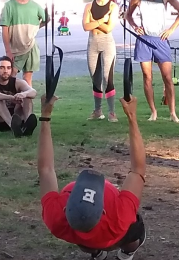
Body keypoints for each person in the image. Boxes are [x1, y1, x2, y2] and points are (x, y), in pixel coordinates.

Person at [39, 94, 146, 260]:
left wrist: (45, 117)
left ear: (66, 210)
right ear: (103, 210)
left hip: (87, 240)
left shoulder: (56, 220)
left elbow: (46, 169)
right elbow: (137, 170)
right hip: (116, 233)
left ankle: (95, 251)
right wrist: (132, 117)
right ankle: (127, 252)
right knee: (135, 233)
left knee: (85, 242)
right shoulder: (119, 219)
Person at [124, 0, 179, 123]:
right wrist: (135, 27)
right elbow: (128, 16)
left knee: (167, 77)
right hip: (144, 40)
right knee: (147, 76)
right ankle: (153, 112)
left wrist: (171, 29)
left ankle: (173, 113)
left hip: (161, 39)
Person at [83, 0, 119, 122]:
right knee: (95, 78)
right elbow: (85, 27)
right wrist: (101, 20)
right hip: (93, 43)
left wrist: (93, 22)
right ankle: (98, 110)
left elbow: (109, 28)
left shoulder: (113, 7)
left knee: (107, 77)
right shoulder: (89, 6)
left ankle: (112, 112)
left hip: (107, 43)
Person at [0, 0, 47, 86]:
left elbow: (46, 19)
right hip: (15, 48)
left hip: (31, 46)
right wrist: (8, 50)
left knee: (27, 78)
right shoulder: (9, 6)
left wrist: (36, 28)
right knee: (11, 76)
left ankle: (26, 102)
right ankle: (9, 101)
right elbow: (4, 28)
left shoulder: (35, 6)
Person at [0, 56, 38, 137]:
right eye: (2, 68)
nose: (5, 71)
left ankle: (27, 124)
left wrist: (23, 94)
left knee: (27, 97)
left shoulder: (18, 82)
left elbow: (33, 92)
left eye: (8, 68)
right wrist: (10, 97)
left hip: (16, 117)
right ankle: (12, 126)